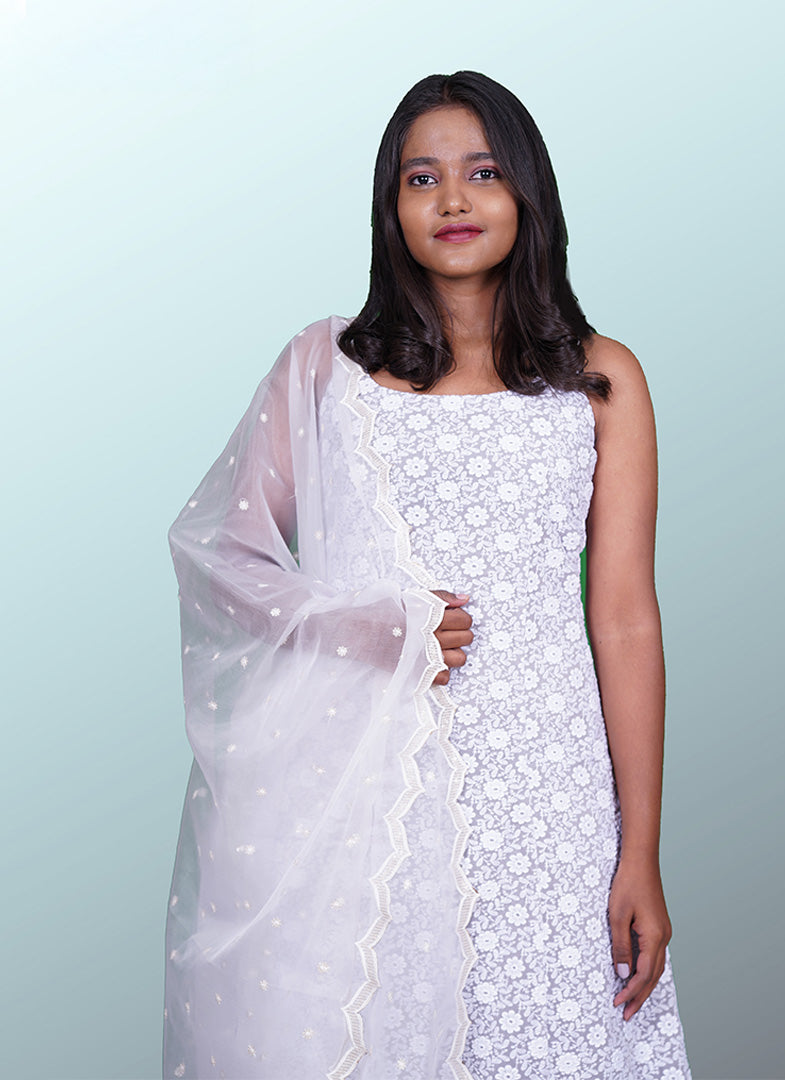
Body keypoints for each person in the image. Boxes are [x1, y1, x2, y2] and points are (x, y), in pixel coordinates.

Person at [163, 71, 692, 1080]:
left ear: (528, 192)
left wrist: (640, 851)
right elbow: (222, 556)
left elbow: (624, 618)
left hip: (550, 791)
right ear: (390, 207)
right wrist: (373, 624)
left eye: (483, 173)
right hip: (369, 784)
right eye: (422, 178)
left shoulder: (599, 379)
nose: (453, 199)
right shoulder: (327, 372)